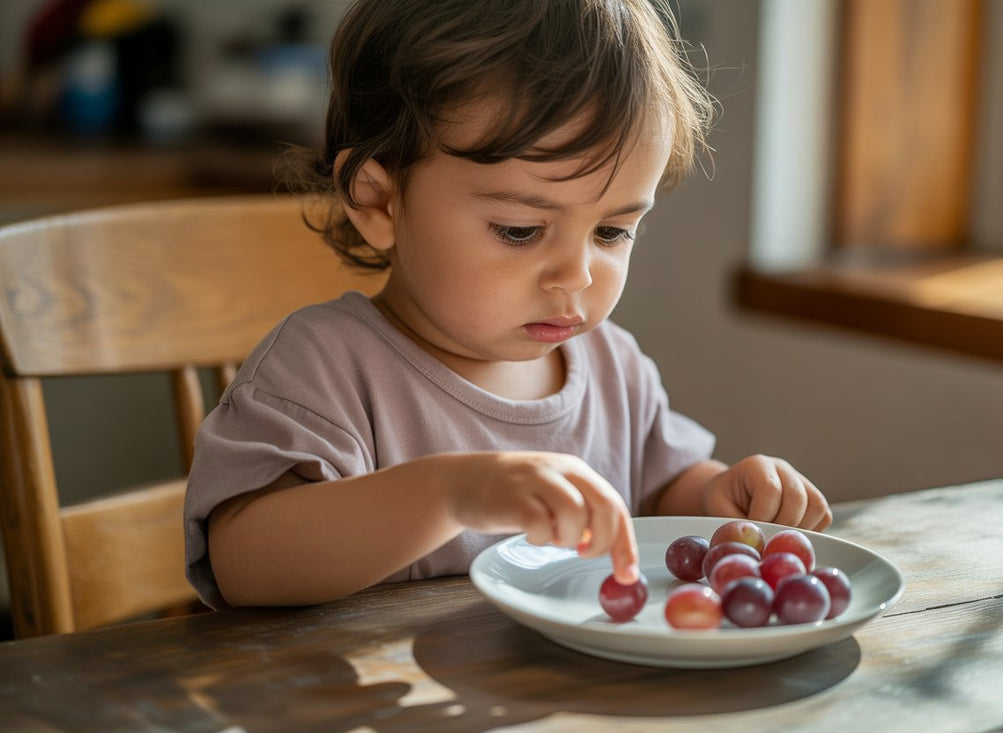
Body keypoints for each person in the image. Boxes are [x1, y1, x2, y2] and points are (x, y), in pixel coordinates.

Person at [183, 0, 831, 610]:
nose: (577, 275)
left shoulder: (614, 367)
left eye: (612, 231)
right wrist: (450, 494)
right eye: (520, 230)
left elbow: (660, 492)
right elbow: (245, 563)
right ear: (379, 200)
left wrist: (720, 497)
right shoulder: (322, 368)